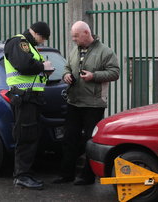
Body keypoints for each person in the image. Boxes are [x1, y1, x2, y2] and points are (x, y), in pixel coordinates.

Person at [54, 21, 119, 185]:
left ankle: (87, 177)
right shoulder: (75, 51)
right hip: (74, 101)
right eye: (72, 36)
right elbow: (67, 67)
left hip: (93, 104)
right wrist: (66, 75)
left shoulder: (105, 51)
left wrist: (94, 76)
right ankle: (65, 174)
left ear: (86, 33)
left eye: (76, 36)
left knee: (90, 141)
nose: (73, 39)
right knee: (69, 139)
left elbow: (115, 73)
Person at [4, 21, 54, 190]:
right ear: (35, 33)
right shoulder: (18, 42)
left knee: (31, 137)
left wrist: (45, 71)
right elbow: (23, 65)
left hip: (32, 99)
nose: (43, 42)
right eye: (43, 38)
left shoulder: (29, 46)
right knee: (25, 137)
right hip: (24, 98)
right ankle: (21, 176)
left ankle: (26, 173)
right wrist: (43, 66)